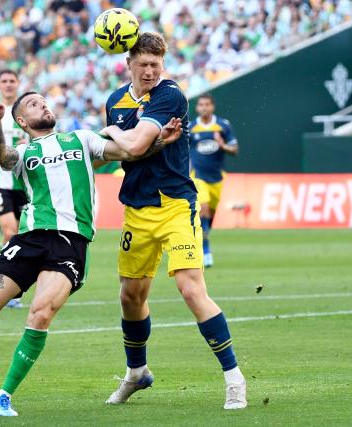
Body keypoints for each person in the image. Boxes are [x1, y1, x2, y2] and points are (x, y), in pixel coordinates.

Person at [0, 93, 182, 417]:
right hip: (29, 238)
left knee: (40, 314)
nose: (42, 104)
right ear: (22, 122)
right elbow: (0, 154)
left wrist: (160, 142)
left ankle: (3, 395)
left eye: (43, 101)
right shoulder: (25, 152)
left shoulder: (82, 139)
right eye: (32, 104)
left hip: (69, 244)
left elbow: (127, 150)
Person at [101, 32, 247, 410]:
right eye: (143, 65)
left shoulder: (170, 95)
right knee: (130, 296)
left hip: (176, 205)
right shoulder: (114, 101)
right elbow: (125, 158)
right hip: (137, 207)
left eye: (156, 65)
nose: (150, 72)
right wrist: (152, 143)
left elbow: (128, 146)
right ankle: (136, 373)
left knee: (190, 289)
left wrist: (117, 133)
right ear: (128, 64)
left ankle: (234, 378)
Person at [0, 70, 30, 308]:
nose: (8, 85)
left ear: (18, 84)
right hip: (0, 184)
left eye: (12, 81)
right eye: (4, 81)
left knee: (24, 235)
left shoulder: (25, 111)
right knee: (9, 232)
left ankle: (13, 282)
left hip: (24, 183)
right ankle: (7, 286)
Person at [189, 93, 238, 268]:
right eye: (201, 105)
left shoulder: (223, 126)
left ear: (212, 107)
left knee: (210, 218)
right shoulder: (191, 127)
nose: (204, 107)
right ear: (197, 108)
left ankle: (203, 240)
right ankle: (206, 251)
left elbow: (234, 149)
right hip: (198, 176)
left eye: (207, 104)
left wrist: (222, 145)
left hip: (216, 178)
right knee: (204, 209)